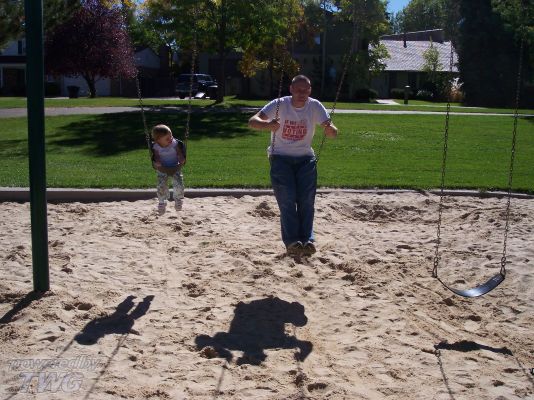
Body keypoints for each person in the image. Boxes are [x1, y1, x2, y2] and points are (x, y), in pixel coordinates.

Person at [248, 75, 337, 255]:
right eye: (298, 90)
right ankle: (292, 241)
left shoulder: (315, 106)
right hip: (280, 157)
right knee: (287, 199)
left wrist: (331, 130)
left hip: (305, 158)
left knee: (306, 201)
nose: (302, 93)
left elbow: (332, 131)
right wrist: (267, 125)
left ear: (310, 90)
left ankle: (308, 240)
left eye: (306, 90)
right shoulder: (280, 104)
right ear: (291, 89)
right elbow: (252, 122)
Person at [151, 124, 186, 214]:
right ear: (158, 140)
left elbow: (179, 152)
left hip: (175, 166)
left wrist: (181, 157)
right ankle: (162, 202)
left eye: (171, 136)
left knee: (179, 184)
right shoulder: (156, 146)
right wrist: (157, 161)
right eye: (167, 138)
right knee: (161, 185)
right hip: (162, 168)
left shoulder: (174, 143)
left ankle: (178, 199)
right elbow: (156, 156)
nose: (171, 139)